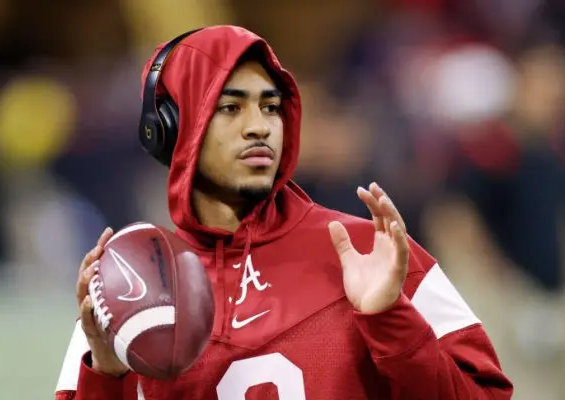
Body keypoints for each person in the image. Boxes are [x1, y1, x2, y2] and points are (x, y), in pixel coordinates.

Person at [54, 25, 512, 400]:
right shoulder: (126, 286)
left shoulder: (373, 251)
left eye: (270, 106)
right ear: (170, 127)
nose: (259, 126)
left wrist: (391, 319)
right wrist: (106, 373)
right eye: (230, 107)